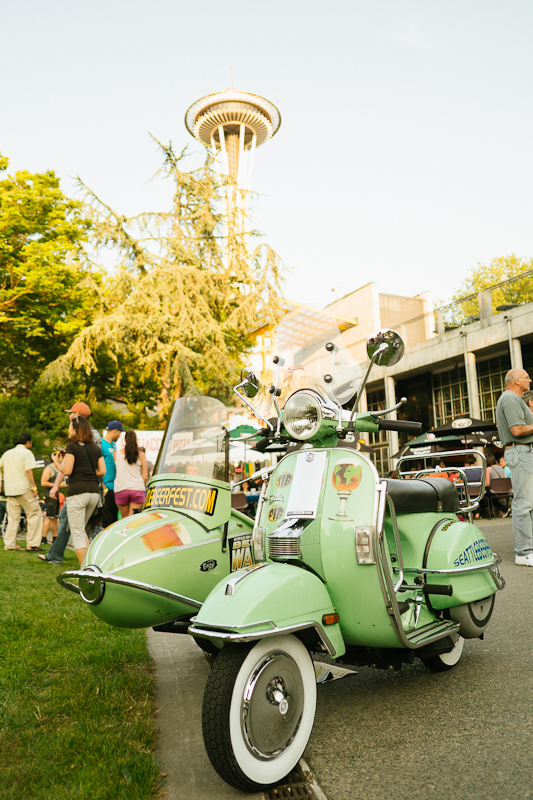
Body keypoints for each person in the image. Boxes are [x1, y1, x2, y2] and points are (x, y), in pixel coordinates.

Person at [51, 417, 105, 566]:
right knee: (82, 531)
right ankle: (89, 565)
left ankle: (85, 571)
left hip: (78, 493)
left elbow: (67, 470)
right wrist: (87, 471)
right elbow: (102, 470)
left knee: (78, 534)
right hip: (93, 493)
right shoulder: (96, 448)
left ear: (76, 429)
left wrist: (56, 461)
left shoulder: (72, 446)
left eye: (70, 426)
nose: (69, 429)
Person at [495, 368, 533, 566]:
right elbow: (517, 429)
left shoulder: (513, 398)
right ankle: (524, 552)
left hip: (522, 451)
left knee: (528, 503)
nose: (529, 380)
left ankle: (528, 549)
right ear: (517, 381)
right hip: (520, 451)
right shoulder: (510, 398)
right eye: (527, 377)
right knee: (523, 504)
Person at [0, 433, 44, 551]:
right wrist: (34, 487)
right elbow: (28, 471)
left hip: (10, 490)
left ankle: (9, 544)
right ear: (28, 442)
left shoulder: (7, 453)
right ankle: (32, 544)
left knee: (13, 518)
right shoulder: (27, 453)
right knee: (34, 514)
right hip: (24, 489)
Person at [114, 431, 148, 517]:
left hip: (121, 489)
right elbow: (145, 476)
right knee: (133, 519)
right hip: (137, 489)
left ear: (125, 440)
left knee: (125, 519)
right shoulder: (142, 455)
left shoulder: (116, 454)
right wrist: (141, 486)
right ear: (136, 440)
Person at [101, 421, 123, 528]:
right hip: (106, 486)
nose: (119, 435)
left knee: (114, 520)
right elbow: (96, 465)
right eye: (120, 433)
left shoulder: (114, 445)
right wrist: (103, 486)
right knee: (107, 519)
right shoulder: (101, 444)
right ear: (115, 431)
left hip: (115, 486)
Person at [40, 457, 66, 544]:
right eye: (61, 455)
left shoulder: (58, 468)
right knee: (49, 517)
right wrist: (57, 485)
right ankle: (43, 538)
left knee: (55, 518)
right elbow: (43, 482)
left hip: (56, 495)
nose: (63, 457)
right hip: (49, 495)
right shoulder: (49, 468)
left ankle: (55, 538)